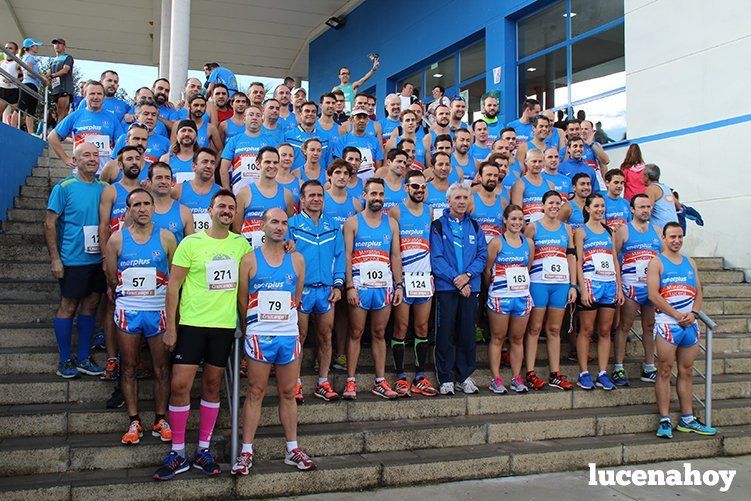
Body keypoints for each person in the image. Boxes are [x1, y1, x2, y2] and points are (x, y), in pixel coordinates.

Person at [153, 189, 250, 480]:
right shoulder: (191, 243)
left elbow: (251, 278)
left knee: (211, 385)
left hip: (223, 328)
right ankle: (178, 451)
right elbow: (173, 286)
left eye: (231, 208)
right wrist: (171, 327)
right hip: (192, 325)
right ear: (209, 210)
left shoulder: (242, 245)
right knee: (180, 385)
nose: (226, 211)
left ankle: (203, 449)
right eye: (221, 206)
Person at [231, 207, 315, 474]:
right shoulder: (249, 260)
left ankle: (292, 449)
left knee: (289, 393)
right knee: (255, 392)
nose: (280, 227)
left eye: (284, 223)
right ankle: (246, 452)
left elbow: (297, 297)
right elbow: (242, 300)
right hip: (259, 335)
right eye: (274, 222)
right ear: (263, 226)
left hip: (288, 336)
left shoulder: (298, 260)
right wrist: (253, 326)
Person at [104, 188, 176, 445]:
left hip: (158, 312)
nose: (143, 208)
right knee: (130, 367)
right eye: (137, 205)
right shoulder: (116, 240)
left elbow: (175, 278)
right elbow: (112, 278)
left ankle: (160, 419)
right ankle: (134, 421)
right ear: (129, 210)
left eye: (147, 203)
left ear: (153, 207)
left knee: (161, 368)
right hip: (129, 312)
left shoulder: (167, 238)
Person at [648, 222, 716, 439]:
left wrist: (694, 313)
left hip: (690, 325)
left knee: (686, 371)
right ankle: (665, 419)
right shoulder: (656, 262)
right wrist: (677, 315)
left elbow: (698, 292)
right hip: (668, 324)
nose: (676, 241)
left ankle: (687, 418)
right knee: (665, 370)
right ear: (664, 239)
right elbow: (653, 295)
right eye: (672, 237)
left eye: (679, 237)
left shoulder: (690, 262)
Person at [44, 143, 107, 378]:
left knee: (91, 305)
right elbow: (49, 223)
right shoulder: (64, 187)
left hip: (97, 260)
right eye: (86, 155)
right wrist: (55, 259)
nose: (92, 158)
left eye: (95, 155)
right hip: (72, 260)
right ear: (75, 159)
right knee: (68, 307)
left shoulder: (105, 188)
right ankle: (64, 360)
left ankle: (82, 358)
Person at [342, 178, 403, 400]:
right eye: (373, 194)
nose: (377, 198)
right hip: (359, 286)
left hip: (384, 286)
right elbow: (347, 257)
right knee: (356, 332)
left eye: (380, 194)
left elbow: (395, 256)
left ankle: (380, 380)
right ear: (364, 196)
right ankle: (350, 380)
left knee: (379, 333)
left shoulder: (392, 223)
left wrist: (399, 285)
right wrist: (349, 286)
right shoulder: (353, 223)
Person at [288, 181, 344, 402]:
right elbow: (287, 259)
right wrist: (294, 290)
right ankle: (296, 383)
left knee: (326, 337)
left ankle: (323, 382)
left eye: (319, 195)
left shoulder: (332, 225)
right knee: (299, 337)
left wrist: (339, 285)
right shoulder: (291, 225)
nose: (316, 198)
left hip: (326, 291)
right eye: (311, 195)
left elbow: (340, 256)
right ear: (301, 199)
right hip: (302, 291)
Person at [430, 182, 487, 395]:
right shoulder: (437, 225)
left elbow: (482, 255)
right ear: (448, 201)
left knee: (467, 333)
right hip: (448, 288)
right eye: (458, 198)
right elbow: (437, 258)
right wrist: (458, 280)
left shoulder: (474, 226)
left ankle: (464, 376)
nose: (462, 201)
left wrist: (468, 277)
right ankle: (445, 378)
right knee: (445, 333)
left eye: (465, 198)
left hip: (470, 288)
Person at [387, 170, 438, 397]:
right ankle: (399, 376)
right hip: (404, 277)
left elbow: (433, 245)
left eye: (422, 187)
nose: (419, 190)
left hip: (424, 278)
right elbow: (391, 248)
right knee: (401, 327)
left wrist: (432, 274)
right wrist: (397, 280)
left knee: (421, 327)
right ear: (406, 188)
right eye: (415, 187)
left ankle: (419, 376)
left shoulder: (429, 211)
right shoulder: (396, 211)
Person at [98, 145, 144, 379]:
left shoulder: (147, 192)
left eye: (137, 158)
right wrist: (106, 258)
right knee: (111, 305)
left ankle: (135, 361)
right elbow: (104, 225)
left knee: (140, 308)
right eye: (129, 159)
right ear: (120, 163)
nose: (134, 162)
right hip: (117, 257)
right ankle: (112, 358)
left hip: (142, 259)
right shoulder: (111, 191)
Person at [524, 191, 576, 391]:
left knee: (554, 329)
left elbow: (571, 257)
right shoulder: (533, 227)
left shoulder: (567, 229)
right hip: (538, 283)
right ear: (542, 205)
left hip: (560, 284)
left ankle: (555, 373)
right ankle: (530, 372)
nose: (555, 206)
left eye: (558, 203)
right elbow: (526, 257)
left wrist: (573, 285)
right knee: (535, 328)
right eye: (551, 203)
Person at [574, 193, 624, 391]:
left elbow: (614, 260)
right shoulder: (581, 231)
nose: (600, 209)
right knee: (586, 330)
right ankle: (584, 372)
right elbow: (578, 261)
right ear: (587, 208)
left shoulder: (609, 231)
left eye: (602, 206)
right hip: (590, 282)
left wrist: (619, 287)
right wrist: (582, 289)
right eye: (596, 206)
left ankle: (602, 372)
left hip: (609, 284)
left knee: (605, 331)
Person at [612, 194, 663, 386]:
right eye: (641, 207)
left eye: (648, 207)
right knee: (625, 326)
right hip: (631, 285)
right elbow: (613, 257)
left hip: (651, 288)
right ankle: (618, 366)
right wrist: (618, 284)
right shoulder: (624, 230)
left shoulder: (657, 231)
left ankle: (649, 366)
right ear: (632, 209)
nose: (646, 210)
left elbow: (663, 259)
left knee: (649, 327)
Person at [485, 204, 534, 394]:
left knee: (517, 338)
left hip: (521, 296)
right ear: (505, 220)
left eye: (520, 219)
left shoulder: (528, 243)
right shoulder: (497, 242)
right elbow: (488, 269)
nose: (517, 223)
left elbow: (527, 267)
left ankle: (516, 377)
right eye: (513, 219)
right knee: (498, 338)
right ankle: (496, 378)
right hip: (500, 296)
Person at [48, 80, 124, 173]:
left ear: (104, 97)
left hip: (104, 173)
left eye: (99, 94)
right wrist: (66, 159)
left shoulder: (112, 117)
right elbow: (52, 137)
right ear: (85, 95)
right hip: (80, 172)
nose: (96, 97)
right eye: (92, 93)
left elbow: (121, 141)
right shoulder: (76, 115)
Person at [233, 146, 296, 246]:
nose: (272, 166)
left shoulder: (287, 195)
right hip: (250, 254)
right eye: (267, 162)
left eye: (275, 163)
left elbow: (289, 228)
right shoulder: (244, 193)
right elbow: (236, 231)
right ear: (258, 164)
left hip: (277, 255)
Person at [111, 99, 171, 179]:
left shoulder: (165, 142)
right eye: (146, 114)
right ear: (137, 117)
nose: (150, 117)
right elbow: (113, 164)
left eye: (154, 115)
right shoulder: (123, 138)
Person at [219, 104, 270, 192]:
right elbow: (223, 168)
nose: (254, 117)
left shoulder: (270, 142)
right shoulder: (234, 140)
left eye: (258, 115)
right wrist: (227, 191)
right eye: (251, 114)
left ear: (262, 120)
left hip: (263, 191)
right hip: (238, 191)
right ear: (244, 119)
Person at [173, 148, 222, 233]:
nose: (209, 166)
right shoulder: (178, 189)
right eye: (205, 162)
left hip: (212, 244)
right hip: (187, 243)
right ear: (193, 166)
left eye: (212, 163)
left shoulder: (221, 192)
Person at [149, 162, 194, 243]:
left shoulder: (184, 212)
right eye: (159, 178)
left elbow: (191, 246)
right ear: (150, 181)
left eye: (167, 178)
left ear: (172, 182)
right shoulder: (141, 210)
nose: (164, 181)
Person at [334, 107, 383, 179]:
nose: (362, 120)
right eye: (358, 117)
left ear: (368, 121)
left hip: (369, 182)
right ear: (351, 120)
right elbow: (338, 164)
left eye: (365, 118)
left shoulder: (375, 141)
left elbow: (378, 166)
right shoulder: (342, 140)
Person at [511, 149, 556, 224]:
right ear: (526, 162)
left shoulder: (550, 185)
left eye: (540, 161)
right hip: (526, 226)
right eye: (534, 161)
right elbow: (517, 213)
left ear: (544, 162)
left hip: (545, 227)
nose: (537, 165)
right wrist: (526, 230)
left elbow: (553, 211)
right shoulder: (519, 184)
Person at [284, 101, 332, 172]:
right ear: (300, 114)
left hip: (319, 181)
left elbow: (329, 161)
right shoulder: (288, 136)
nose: (310, 114)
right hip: (295, 179)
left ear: (316, 116)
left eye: (313, 112)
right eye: (307, 111)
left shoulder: (325, 138)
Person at [470, 161, 507, 242]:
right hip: (476, 249)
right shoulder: (470, 200)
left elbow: (505, 230)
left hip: (496, 250)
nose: (492, 179)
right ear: (479, 177)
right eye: (489, 175)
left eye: (495, 175)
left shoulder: (502, 202)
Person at [18, 38, 45, 134]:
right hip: (29, 84)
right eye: (35, 45)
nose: (37, 47)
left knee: (30, 110)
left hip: (33, 85)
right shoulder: (29, 57)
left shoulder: (30, 57)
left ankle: (31, 132)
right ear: (30, 47)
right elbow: (29, 72)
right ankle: (14, 125)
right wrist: (42, 78)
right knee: (21, 107)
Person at [160, 120, 199, 184]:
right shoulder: (166, 159)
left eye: (190, 131)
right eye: (183, 130)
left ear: (196, 136)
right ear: (177, 135)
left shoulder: (202, 159)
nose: (186, 134)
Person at [643, 163, 679, 231]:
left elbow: (647, 210)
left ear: (647, 176)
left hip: (662, 229)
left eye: (642, 174)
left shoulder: (651, 189)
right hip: (675, 227)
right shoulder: (667, 188)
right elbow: (678, 206)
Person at [47, 38, 75, 121]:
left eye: (60, 44)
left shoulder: (67, 57)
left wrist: (52, 76)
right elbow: (48, 73)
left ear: (64, 46)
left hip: (64, 88)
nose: (57, 45)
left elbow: (65, 70)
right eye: (55, 44)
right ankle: (65, 132)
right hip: (55, 89)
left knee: (62, 112)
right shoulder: (52, 60)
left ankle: (58, 132)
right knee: (59, 112)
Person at [424, 152, 453, 219]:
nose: (444, 168)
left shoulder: (455, 190)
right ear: (432, 168)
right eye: (440, 164)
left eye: (447, 164)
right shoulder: (424, 189)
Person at [0, 41, 22, 123]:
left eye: (10, 48)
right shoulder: (1, 62)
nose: (8, 50)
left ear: (16, 51)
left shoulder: (17, 63)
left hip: (14, 90)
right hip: (2, 89)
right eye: (6, 48)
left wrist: (12, 80)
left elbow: (23, 77)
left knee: (15, 114)